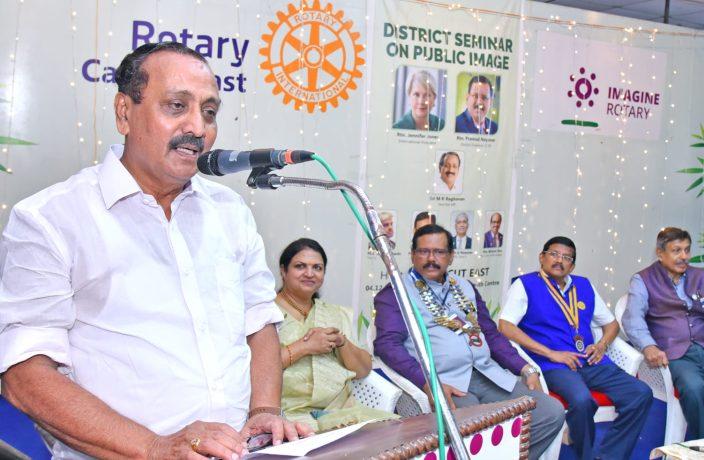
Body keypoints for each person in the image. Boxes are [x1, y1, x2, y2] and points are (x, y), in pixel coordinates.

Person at [0, 42, 311, 460]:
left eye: (209, 112)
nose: (198, 127)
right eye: (176, 106)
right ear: (124, 113)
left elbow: (258, 322)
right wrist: (155, 448)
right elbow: (25, 375)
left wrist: (264, 411)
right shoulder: (51, 218)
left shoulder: (230, 211)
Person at [374, 224, 565, 460]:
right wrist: (428, 382)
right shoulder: (395, 292)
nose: (431, 259)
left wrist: (525, 368)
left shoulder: (465, 287)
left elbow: (490, 334)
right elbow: (387, 345)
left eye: (439, 252)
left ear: (451, 256)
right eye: (423, 251)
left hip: (487, 373)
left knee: (550, 413)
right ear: (413, 255)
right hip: (446, 380)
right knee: (477, 429)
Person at [499, 237, 652, 460]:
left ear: (572, 265)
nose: (559, 260)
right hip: (552, 364)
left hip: (590, 361)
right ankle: (585, 455)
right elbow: (505, 326)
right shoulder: (525, 285)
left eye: (566, 257)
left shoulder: (584, 285)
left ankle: (610, 456)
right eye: (554, 254)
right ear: (542, 257)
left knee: (641, 393)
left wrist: (601, 345)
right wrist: (551, 353)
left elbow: (611, 324)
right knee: (582, 400)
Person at [623, 227, 704, 440]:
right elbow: (633, 319)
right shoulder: (643, 280)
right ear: (660, 253)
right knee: (695, 390)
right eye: (676, 250)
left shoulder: (703, 277)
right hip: (676, 357)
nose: (684, 256)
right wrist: (648, 345)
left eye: (687, 250)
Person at [275, 239, 398, 432]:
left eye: (317, 267)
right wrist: (304, 347)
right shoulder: (265, 314)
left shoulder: (337, 314)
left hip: (341, 413)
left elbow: (363, 370)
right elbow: (252, 370)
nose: (309, 273)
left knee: (400, 435)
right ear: (283, 271)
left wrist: (342, 342)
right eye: (300, 266)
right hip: (286, 416)